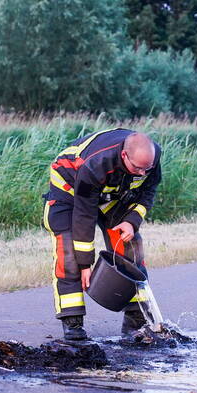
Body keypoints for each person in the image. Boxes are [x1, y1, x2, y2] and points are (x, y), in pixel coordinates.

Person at [44, 128, 162, 341]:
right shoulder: (96, 163)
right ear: (125, 155)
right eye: (138, 168)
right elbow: (84, 214)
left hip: (109, 193)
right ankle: (73, 327)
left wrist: (131, 221)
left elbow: (147, 193)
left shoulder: (149, 159)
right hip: (70, 191)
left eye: (147, 169)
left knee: (130, 245)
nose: (143, 173)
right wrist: (84, 263)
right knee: (69, 254)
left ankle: (136, 321)